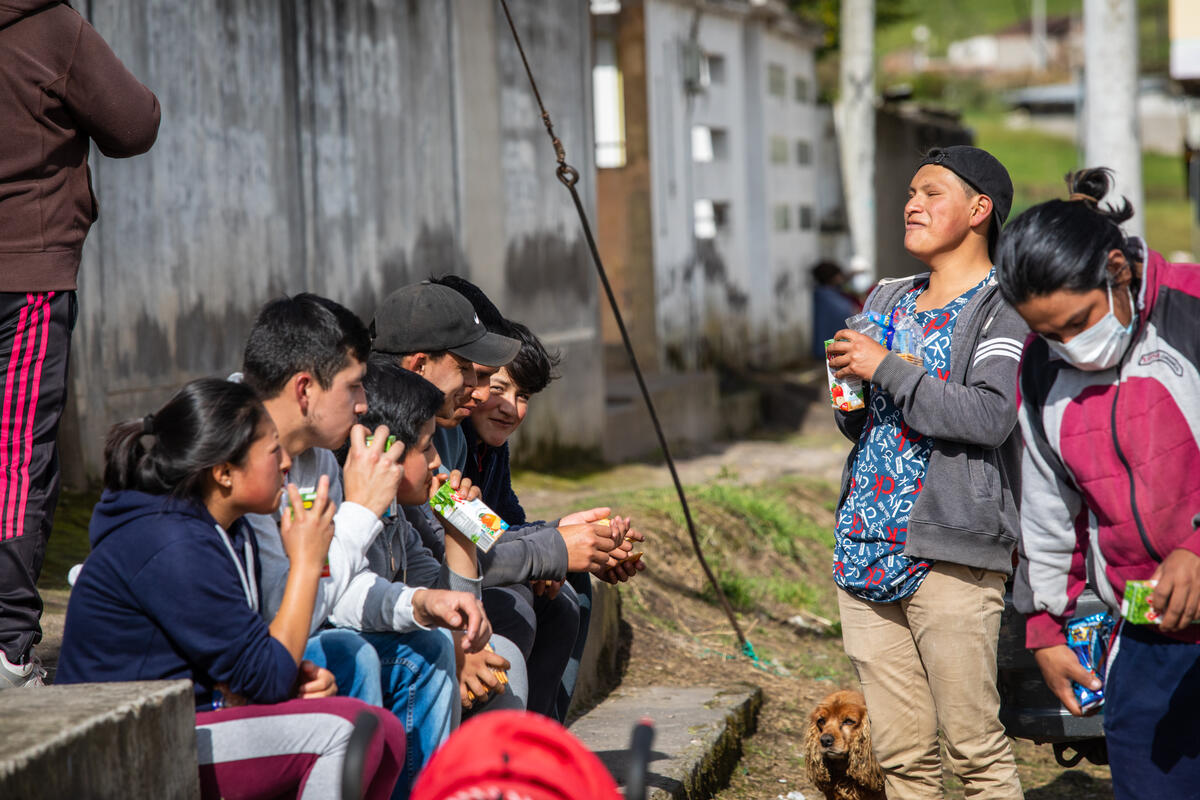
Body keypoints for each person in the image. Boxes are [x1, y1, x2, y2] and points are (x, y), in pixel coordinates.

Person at [55, 379, 406, 799]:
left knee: (384, 732)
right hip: (124, 744)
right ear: (223, 473)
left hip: (187, 718)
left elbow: (247, 665)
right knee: (348, 732)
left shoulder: (221, 530)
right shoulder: (171, 542)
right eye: (272, 450)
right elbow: (267, 677)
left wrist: (282, 678)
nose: (286, 465)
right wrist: (308, 563)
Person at [825, 145, 1026, 799]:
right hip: (864, 548)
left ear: (979, 209)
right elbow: (865, 424)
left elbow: (990, 415)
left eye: (932, 192)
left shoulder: (1004, 307)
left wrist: (884, 366)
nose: (912, 203)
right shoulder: (887, 295)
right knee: (903, 757)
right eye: (910, 192)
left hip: (950, 555)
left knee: (975, 753)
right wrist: (846, 385)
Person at [997, 168, 1200, 799]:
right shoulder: (1039, 371)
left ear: (1117, 268)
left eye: (1079, 322)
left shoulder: (1190, 311)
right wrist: (1045, 631)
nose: (1070, 347)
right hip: (1149, 629)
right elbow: (1047, 509)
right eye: (1049, 334)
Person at [238, 294, 487, 797]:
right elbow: (285, 608)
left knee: (432, 643)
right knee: (353, 654)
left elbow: (335, 583)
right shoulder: (235, 451)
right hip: (235, 666)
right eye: (353, 387)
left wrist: (419, 602)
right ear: (305, 389)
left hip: (289, 638)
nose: (362, 405)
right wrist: (360, 513)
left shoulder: (317, 457)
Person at [0, 0, 160, 687]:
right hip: (26, 267)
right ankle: (6, 647)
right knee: (13, 458)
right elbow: (135, 123)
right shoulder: (50, 25)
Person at [346, 357, 530, 714]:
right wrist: (449, 643)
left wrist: (460, 533)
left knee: (502, 652)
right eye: (428, 446)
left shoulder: (397, 511)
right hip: (369, 651)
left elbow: (454, 610)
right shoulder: (350, 510)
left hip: (409, 633)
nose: (436, 462)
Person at [811, 261, 862, 361]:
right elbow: (848, 313)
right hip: (831, 346)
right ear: (833, 277)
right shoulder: (828, 296)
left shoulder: (826, 293)